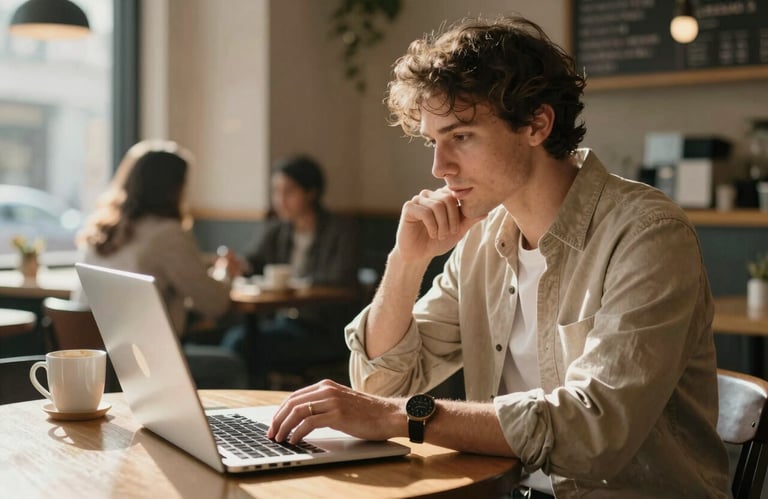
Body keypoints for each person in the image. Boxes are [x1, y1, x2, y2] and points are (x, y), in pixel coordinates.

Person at [267, 16, 731, 498]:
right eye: (433, 141)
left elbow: (595, 431)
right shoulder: (483, 240)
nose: (439, 167)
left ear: (537, 124)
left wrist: (404, 417)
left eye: (461, 136)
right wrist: (407, 262)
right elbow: (380, 385)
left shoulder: (648, 234)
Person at [72, 139, 248, 389]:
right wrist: (226, 271)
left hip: (94, 362)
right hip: (144, 364)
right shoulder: (168, 234)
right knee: (230, 367)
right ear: (175, 188)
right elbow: (214, 304)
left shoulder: (103, 230)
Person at [221, 155, 360, 387]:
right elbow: (253, 262)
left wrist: (297, 285)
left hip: (323, 329)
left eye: (289, 192)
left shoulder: (340, 230)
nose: (280, 200)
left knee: (243, 344)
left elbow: (342, 278)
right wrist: (239, 265)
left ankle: (255, 399)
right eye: (276, 191)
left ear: (311, 192)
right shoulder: (277, 230)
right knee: (238, 340)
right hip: (283, 321)